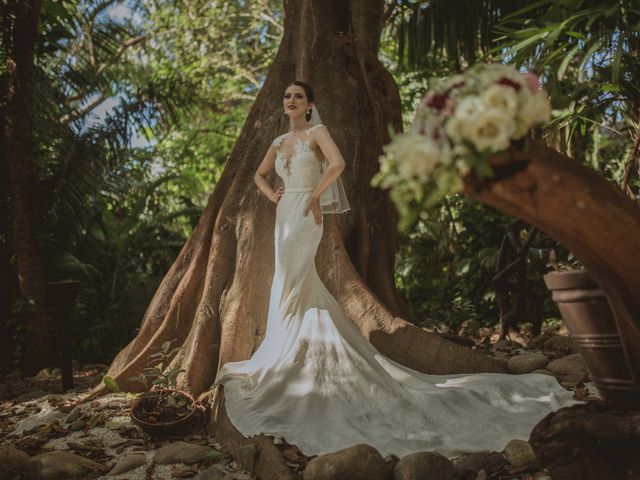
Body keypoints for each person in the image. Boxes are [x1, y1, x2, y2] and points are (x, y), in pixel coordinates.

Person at [213, 80, 577, 458]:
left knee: (296, 279)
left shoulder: (318, 132)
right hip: (284, 215)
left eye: (298, 97)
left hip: (307, 213)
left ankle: (286, 355)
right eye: (287, 97)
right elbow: (260, 175)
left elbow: (337, 164)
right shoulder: (276, 142)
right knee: (288, 282)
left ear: (310, 104)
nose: (290, 101)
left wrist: (315, 197)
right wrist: (274, 194)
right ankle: (284, 352)